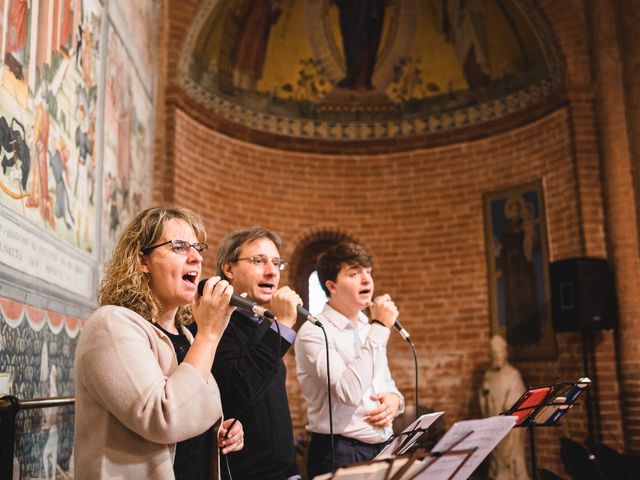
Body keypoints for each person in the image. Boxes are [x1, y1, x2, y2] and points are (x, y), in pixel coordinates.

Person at [74, 207, 244, 479]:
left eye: (198, 249)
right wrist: (209, 334)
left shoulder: (186, 336)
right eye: (179, 247)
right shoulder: (110, 324)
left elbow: (190, 405)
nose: (196, 258)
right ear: (142, 260)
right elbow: (163, 418)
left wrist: (216, 431)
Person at [295, 242, 405, 479]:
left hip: (384, 446)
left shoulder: (369, 326)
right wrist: (380, 327)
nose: (366, 280)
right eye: (354, 274)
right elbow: (348, 391)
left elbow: (386, 382)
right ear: (332, 285)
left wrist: (395, 401)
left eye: (368, 272)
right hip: (341, 451)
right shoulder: (314, 331)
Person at [211, 227, 302, 479]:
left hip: (286, 472)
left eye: (276, 263)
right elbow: (239, 392)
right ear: (229, 269)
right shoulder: (215, 324)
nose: (272, 271)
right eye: (258, 261)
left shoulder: (264, 325)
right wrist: (282, 325)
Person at [479, 335, 530, 480]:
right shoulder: (488, 375)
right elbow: (483, 398)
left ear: (505, 353)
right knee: (496, 458)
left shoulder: (513, 375)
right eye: (493, 353)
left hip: (509, 426)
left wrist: (507, 412)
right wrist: (484, 393)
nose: (496, 356)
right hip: (493, 422)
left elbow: (517, 400)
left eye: (498, 352)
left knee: (513, 459)